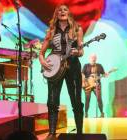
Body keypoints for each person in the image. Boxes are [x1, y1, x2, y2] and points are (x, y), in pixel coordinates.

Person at [39, 4, 84, 139]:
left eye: (65, 9)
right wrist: (42, 61)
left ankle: (80, 133)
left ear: (69, 13)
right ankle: (52, 133)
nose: (62, 11)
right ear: (56, 14)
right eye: (59, 10)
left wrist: (78, 52)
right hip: (55, 68)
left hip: (73, 66)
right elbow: (41, 53)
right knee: (52, 101)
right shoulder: (51, 31)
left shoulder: (77, 29)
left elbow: (81, 50)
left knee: (76, 101)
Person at [82, 53, 108, 118]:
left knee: (99, 99)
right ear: (90, 58)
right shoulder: (86, 66)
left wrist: (106, 74)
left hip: (97, 85)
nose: (93, 59)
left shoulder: (99, 66)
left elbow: (103, 74)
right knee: (87, 99)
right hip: (88, 85)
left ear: (96, 58)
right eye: (92, 57)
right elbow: (82, 74)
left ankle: (102, 113)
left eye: (94, 58)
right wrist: (84, 80)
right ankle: (86, 113)